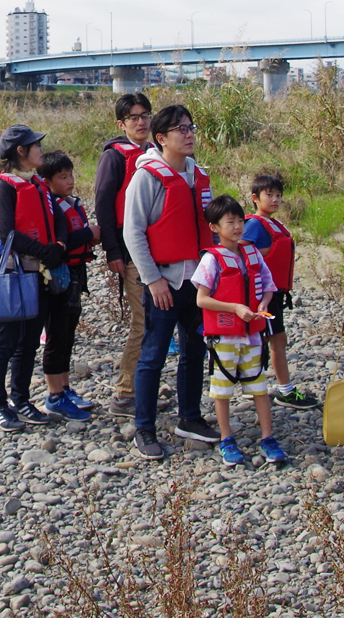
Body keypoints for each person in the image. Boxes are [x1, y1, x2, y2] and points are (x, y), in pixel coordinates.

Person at [123, 103, 220, 460]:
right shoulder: (147, 177)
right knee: (153, 355)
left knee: (194, 352)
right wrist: (153, 280)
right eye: (181, 129)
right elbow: (133, 232)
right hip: (164, 280)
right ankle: (144, 428)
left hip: (198, 283)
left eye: (191, 127)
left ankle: (189, 417)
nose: (189, 133)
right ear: (161, 138)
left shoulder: (199, 174)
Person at [0, 125, 67, 431]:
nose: (40, 149)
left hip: (39, 274)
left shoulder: (39, 185)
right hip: (13, 274)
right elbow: (7, 233)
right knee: (5, 341)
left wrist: (58, 246)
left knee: (30, 342)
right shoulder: (1, 187)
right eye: (35, 145)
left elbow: (57, 219)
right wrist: (47, 252)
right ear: (20, 151)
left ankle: (21, 400)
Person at [194, 195, 288, 467]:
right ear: (215, 227)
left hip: (252, 334)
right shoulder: (212, 260)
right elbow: (202, 299)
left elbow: (268, 286)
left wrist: (262, 303)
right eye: (230, 222)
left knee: (259, 386)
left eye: (240, 221)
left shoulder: (252, 252)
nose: (237, 227)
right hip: (224, 336)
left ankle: (268, 437)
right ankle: (226, 438)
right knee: (222, 390)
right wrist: (235, 308)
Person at [94, 92, 154, 418]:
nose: (141, 121)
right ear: (122, 124)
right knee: (142, 323)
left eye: (145, 115)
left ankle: (143, 387)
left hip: (154, 251)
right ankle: (125, 393)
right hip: (129, 252)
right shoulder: (115, 157)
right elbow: (103, 204)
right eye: (134, 117)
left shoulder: (152, 154)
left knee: (153, 322)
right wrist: (112, 252)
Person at [242, 173, 321, 410]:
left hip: (275, 294)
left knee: (267, 339)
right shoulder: (255, 224)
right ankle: (284, 390)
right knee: (275, 339)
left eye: (278, 195)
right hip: (263, 296)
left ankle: (252, 384)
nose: (275, 199)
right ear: (255, 198)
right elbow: (240, 252)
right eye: (270, 195)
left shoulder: (275, 223)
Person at [39, 151, 99, 420]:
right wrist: (89, 234)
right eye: (63, 177)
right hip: (58, 279)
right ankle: (54, 396)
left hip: (76, 275)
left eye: (71, 175)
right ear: (48, 181)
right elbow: (60, 243)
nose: (70, 180)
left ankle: (65, 388)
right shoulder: (50, 206)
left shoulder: (70, 202)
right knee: (56, 336)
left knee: (68, 334)